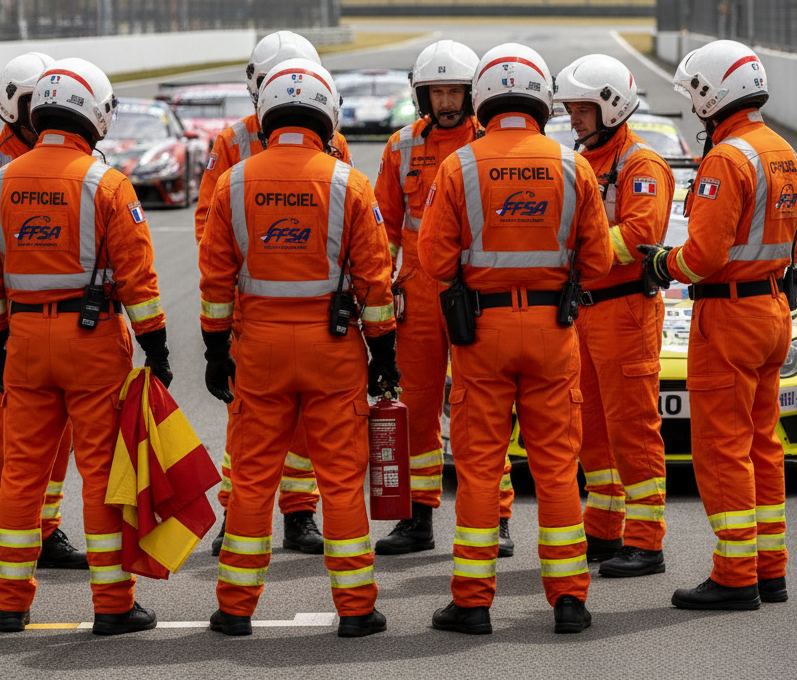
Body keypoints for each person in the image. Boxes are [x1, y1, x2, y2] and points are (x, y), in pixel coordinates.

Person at [0, 57, 172, 634]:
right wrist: (157, 348)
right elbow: (138, 277)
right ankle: (112, 604)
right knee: (103, 475)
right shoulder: (105, 183)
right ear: (92, 114)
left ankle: (9, 601)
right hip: (93, 343)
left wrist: (0, 346)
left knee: (22, 474)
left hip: (25, 342)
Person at [199, 57, 397, 638]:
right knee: (339, 479)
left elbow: (214, 277)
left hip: (257, 346)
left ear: (265, 116)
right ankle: (357, 608)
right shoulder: (348, 183)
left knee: (254, 478)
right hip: (332, 348)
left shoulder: (235, 180)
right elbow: (375, 280)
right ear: (326, 116)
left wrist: (215, 349)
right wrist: (382, 352)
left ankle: (234, 607)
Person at [419, 43, 613, 635]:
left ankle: (473, 603)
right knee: (557, 469)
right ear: (541, 101)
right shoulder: (573, 165)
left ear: (482, 99)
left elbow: (431, 259)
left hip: (480, 332)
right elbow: (601, 260)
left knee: (479, 469)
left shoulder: (460, 166)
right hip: (556, 331)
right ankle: (570, 601)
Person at [640, 40, 797, 611]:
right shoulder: (782, 150)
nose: (694, 107)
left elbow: (703, 255)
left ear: (716, 92)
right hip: (774, 310)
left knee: (722, 447)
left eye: (695, 95)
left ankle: (735, 575)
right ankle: (770, 569)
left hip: (729, 314)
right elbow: (792, 242)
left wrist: (662, 262)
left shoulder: (728, 158)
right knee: (763, 444)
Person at [195, 31, 353, 557]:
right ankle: (237, 514)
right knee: (250, 428)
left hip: (310, 307)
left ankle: (299, 513)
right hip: (252, 308)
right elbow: (208, 226)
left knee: (305, 427)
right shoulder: (231, 143)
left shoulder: (333, 142)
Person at [373, 40, 515, 556]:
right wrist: (380, 283)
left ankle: (495, 518)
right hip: (415, 296)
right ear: (421, 96)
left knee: (482, 410)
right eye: (436, 92)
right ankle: (416, 518)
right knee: (415, 408)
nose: (446, 101)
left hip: (476, 292)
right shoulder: (400, 147)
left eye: (454, 90)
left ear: (473, 92)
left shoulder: (490, 143)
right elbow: (383, 227)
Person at [0, 52, 86, 577]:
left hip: (56, 327)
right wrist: (10, 301)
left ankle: (45, 530)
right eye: (32, 101)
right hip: (1, 329)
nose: (41, 112)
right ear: (11, 103)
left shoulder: (71, 162)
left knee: (60, 437)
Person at [554, 54, 674, 577]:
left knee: (634, 429)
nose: (574, 119)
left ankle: (647, 542)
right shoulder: (584, 161)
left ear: (611, 105)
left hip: (626, 312)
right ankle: (603, 532)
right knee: (592, 431)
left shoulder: (640, 165)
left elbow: (640, 236)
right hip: (586, 312)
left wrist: (583, 247)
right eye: (571, 109)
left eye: (582, 109)